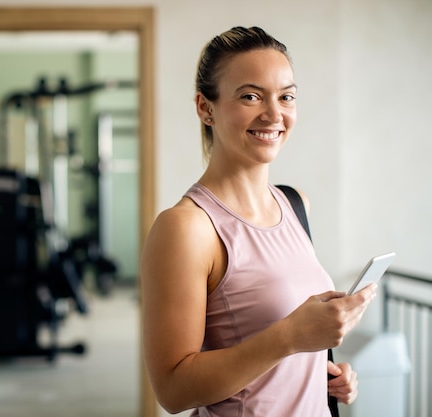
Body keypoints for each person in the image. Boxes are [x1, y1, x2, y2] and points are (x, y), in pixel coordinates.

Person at [140, 26, 376, 417]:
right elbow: (173, 390)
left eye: (286, 97)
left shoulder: (295, 204)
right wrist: (289, 338)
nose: (274, 114)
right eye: (251, 96)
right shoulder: (186, 228)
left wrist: (321, 374)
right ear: (205, 107)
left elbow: (273, 359)